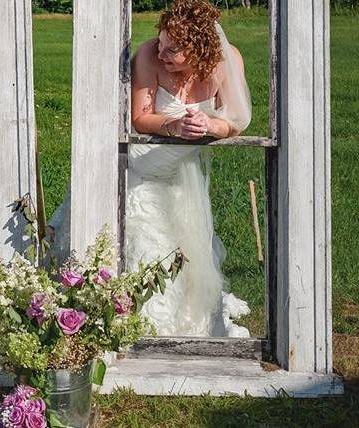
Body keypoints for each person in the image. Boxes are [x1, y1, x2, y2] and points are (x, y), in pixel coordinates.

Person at [49, 0, 251, 337]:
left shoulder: (227, 61)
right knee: (147, 253)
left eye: (172, 50)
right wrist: (175, 127)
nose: (161, 53)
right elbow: (140, 119)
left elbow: (235, 121)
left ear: (199, 50)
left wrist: (210, 126)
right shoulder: (148, 56)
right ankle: (129, 326)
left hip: (177, 178)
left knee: (186, 260)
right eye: (160, 42)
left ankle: (176, 326)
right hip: (137, 171)